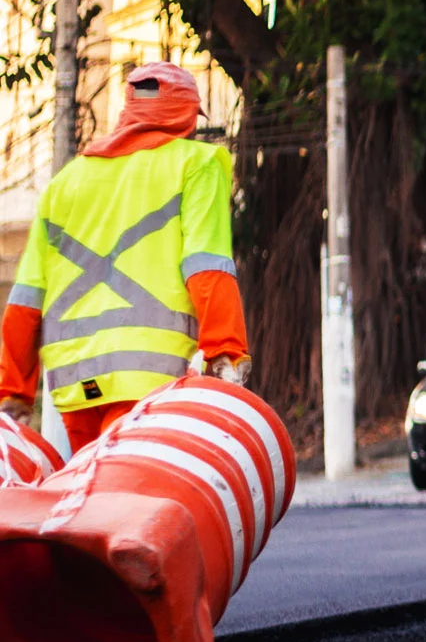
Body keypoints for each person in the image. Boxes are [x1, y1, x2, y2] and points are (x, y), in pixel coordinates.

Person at [0, 62, 251, 452]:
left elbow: (26, 299)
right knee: (139, 499)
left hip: (74, 382)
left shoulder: (64, 183)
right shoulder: (197, 164)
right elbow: (206, 267)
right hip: (153, 379)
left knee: (95, 496)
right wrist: (227, 351)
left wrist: (14, 390)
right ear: (187, 115)